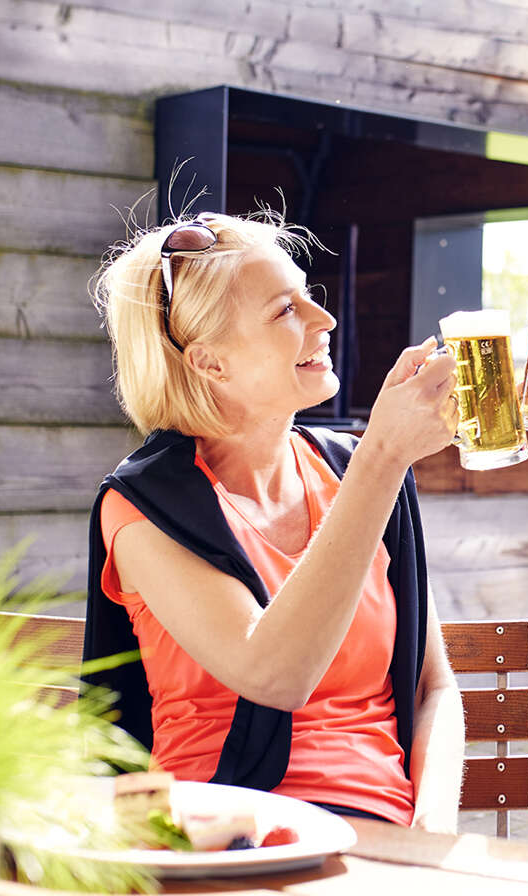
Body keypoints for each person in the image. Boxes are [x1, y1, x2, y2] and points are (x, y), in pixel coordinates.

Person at [84, 211, 465, 832]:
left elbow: (433, 687)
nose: (325, 320)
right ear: (210, 363)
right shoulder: (145, 502)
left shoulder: (354, 470)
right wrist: (384, 456)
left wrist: (434, 826)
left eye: (307, 297)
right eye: (284, 311)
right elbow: (274, 675)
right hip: (226, 828)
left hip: (381, 831)